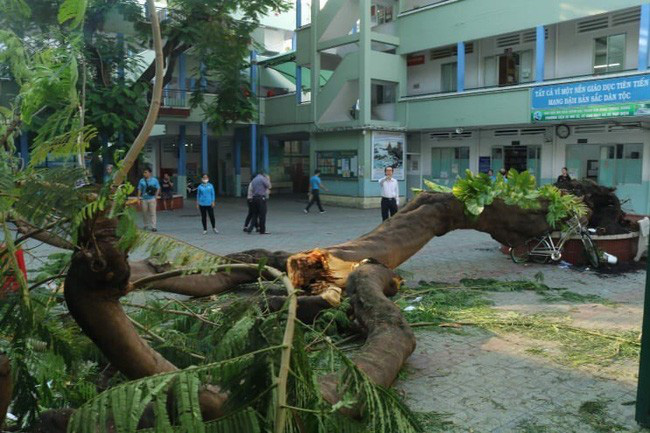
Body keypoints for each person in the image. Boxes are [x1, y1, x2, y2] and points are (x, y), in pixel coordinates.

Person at [137, 168, 160, 232]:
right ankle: (145, 225)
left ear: (150, 173)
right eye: (144, 172)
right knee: (144, 213)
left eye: (146, 172)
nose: (144, 174)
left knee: (153, 213)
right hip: (144, 199)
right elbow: (139, 189)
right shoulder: (141, 180)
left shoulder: (154, 180)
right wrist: (138, 198)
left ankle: (153, 226)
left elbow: (158, 188)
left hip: (152, 199)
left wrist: (156, 196)